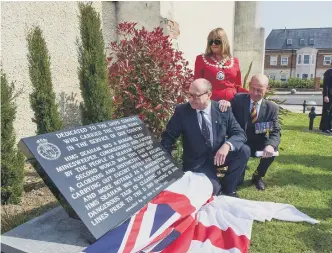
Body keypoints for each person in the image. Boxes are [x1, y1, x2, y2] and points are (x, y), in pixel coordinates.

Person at [161, 78, 250, 197]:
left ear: (209, 95)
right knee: (212, 190)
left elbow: (240, 134)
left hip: (219, 155)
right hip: (198, 162)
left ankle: (229, 189)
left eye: (195, 96)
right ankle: (217, 185)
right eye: (189, 95)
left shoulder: (222, 110)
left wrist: (227, 145)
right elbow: (168, 137)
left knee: (244, 150)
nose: (191, 99)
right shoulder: (182, 112)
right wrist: (165, 163)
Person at [219, 74, 281, 190]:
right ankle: (237, 173)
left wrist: (270, 145)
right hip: (240, 143)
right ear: (249, 86)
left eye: (260, 90)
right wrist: (224, 103)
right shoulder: (238, 100)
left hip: (258, 141)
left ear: (267, 89)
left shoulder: (271, 108)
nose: (255, 93)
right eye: (252, 88)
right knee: (238, 181)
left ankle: (257, 176)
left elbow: (275, 130)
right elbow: (225, 116)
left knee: (273, 150)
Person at [194, 27, 248, 102]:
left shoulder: (235, 61)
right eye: (210, 41)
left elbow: (237, 85)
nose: (213, 44)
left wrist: (250, 95)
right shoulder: (201, 59)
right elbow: (197, 84)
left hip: (232, 103)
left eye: (216, 41)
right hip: (210, 103)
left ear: (224, 42)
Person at [319, 65, 332, 134]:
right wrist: (326, 95)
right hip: (328, 95)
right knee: (327, 111)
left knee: (331, 112)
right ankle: (325, 128)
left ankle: (330, 127)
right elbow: (325, 84)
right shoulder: (328, 72)